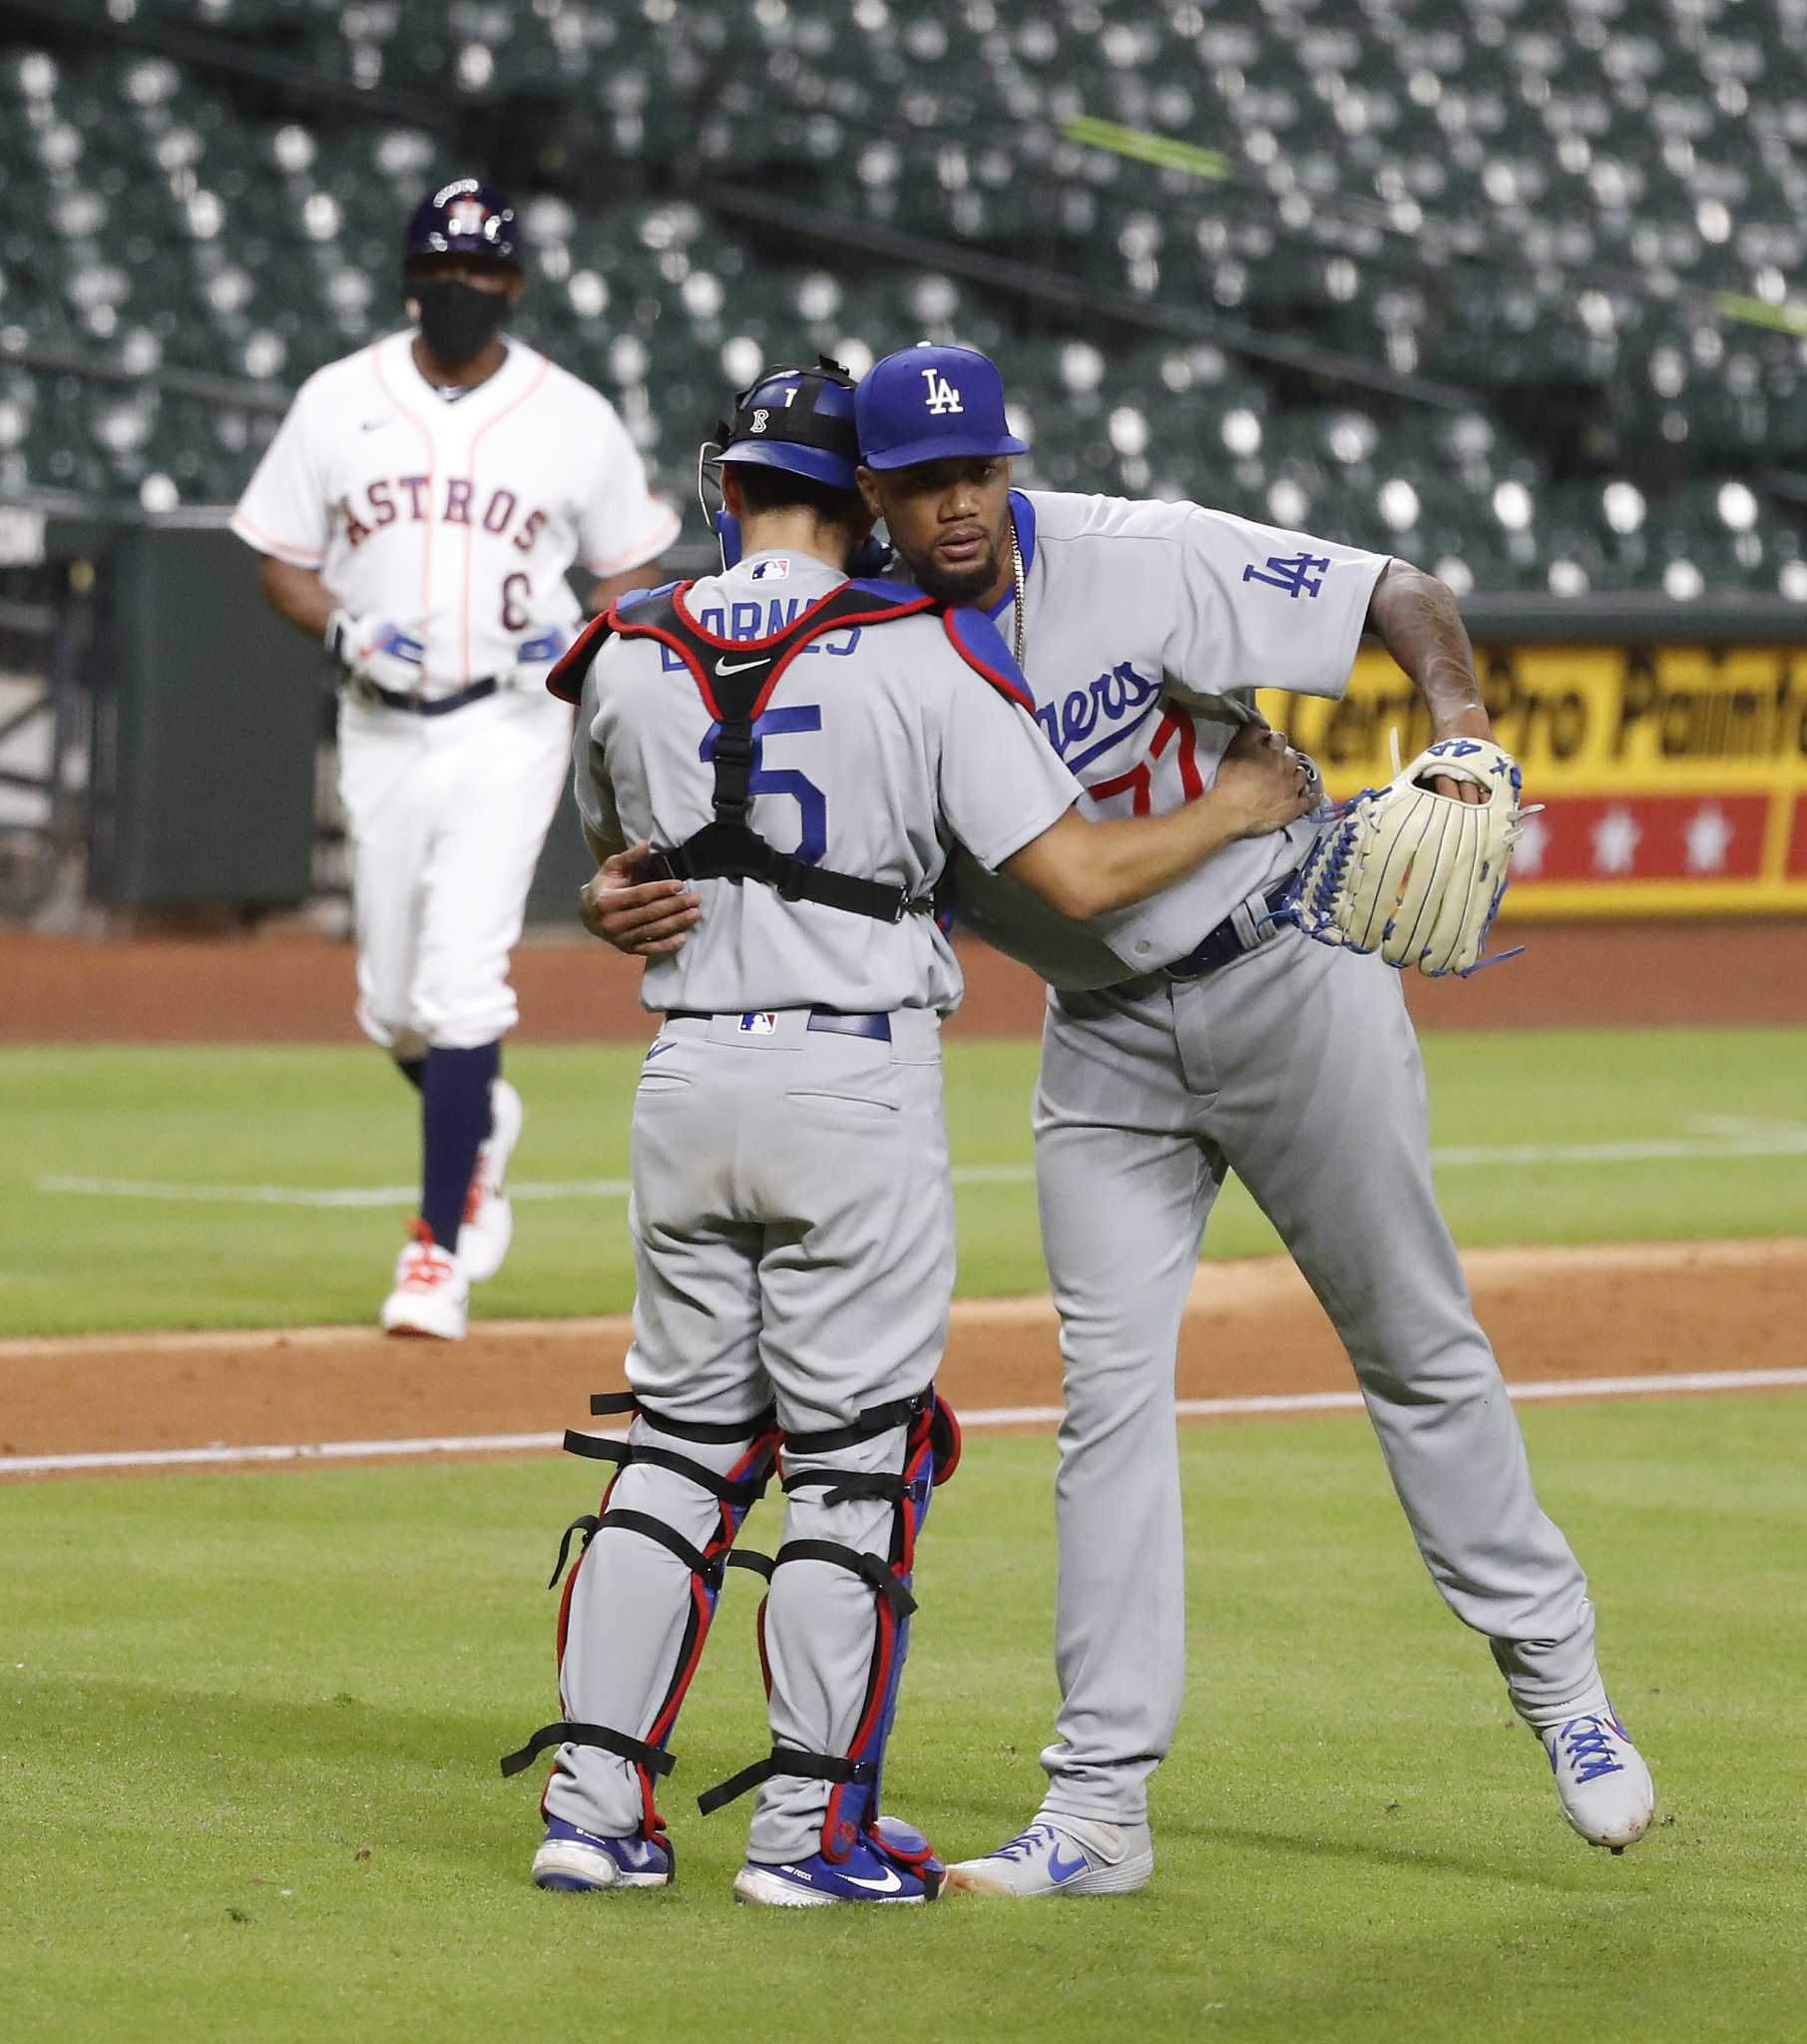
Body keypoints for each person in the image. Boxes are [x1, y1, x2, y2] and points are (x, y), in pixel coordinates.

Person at [583, 340, 1655, 1895]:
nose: (960, 505)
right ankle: (1097, 1809)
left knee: (1413, 1342)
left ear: (1010, 464)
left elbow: (1389, 588)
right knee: (1104, 1405)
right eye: (922, 481)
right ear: (867, 492)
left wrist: (1458, 724)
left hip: (1286, 974)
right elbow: (717, 823)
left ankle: (1562, 1697)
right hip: (1100, 1045)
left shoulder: (1136, 556)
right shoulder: (867, 643)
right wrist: (618, 894)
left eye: (980, 470)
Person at [495, 360, 1318, 1905]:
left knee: (673, 1448)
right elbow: (1070, 878)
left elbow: (620, 866)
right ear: (859, 499)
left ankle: (591, 1809)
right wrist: (1237, 808)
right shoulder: (920, 642)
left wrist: (623, 901)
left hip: (685, 1079)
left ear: (724, 487)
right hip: (848, 1084)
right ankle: (807, 1840)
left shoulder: (622, 646)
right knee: (856, 1465)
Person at [230, 177, 678, 1339]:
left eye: (481, 273)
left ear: (514, 286)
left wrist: (582, 628)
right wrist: (340, 622)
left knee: (461, 981)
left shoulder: (568, 413)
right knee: (392, 1010)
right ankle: (472, 1118)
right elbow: (278, 551)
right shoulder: (340, 400)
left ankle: (435, 1248)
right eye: (441, 270)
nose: (460, 289)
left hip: (507, 721)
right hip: (379, 718)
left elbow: (631, 558)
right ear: (408, 281)